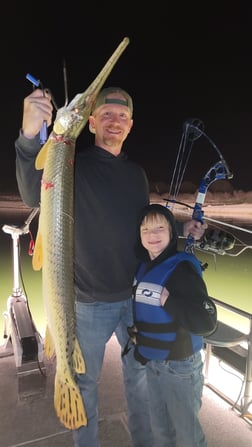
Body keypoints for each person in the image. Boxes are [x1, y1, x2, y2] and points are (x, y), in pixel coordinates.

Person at [15, 86, 207, 447]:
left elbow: (138, 230)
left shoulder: (136, 174)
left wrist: (179, 230)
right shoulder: (72, 164)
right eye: (106, 114)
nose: (114, 121)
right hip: (86, 303)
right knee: (84, 382)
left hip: (134, 299)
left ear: (130, 125)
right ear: (91, 123)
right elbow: (30, 193)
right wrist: (28, 137)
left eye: (121, 116)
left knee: (141, 381)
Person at [129, 203, 217, 447]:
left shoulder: (182, 268)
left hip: (180, 367)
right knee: (160, 432)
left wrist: (171, 302)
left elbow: (207, 321)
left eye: (159, 228)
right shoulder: (143, 267)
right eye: (145, 229)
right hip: (153, 364)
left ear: (171, 232)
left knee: (188, 437)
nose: (152, 235)